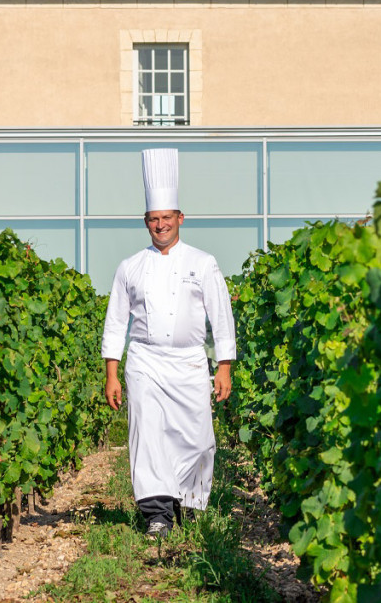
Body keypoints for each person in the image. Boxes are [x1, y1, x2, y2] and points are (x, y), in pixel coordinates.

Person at [101, 148, 236, 539]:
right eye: (153, 219)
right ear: (146, 222)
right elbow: (115, 322)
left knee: (198, 438)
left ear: (180, 218)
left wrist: (223, 364)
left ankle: (189, 504)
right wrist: (112, 374)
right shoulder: (130, 267)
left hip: (191, 360)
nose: (160, 225)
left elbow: (221, 315)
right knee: (148, 434)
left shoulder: (203, 262)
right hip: (144, 361)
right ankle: (156, 513)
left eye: (166, 218)